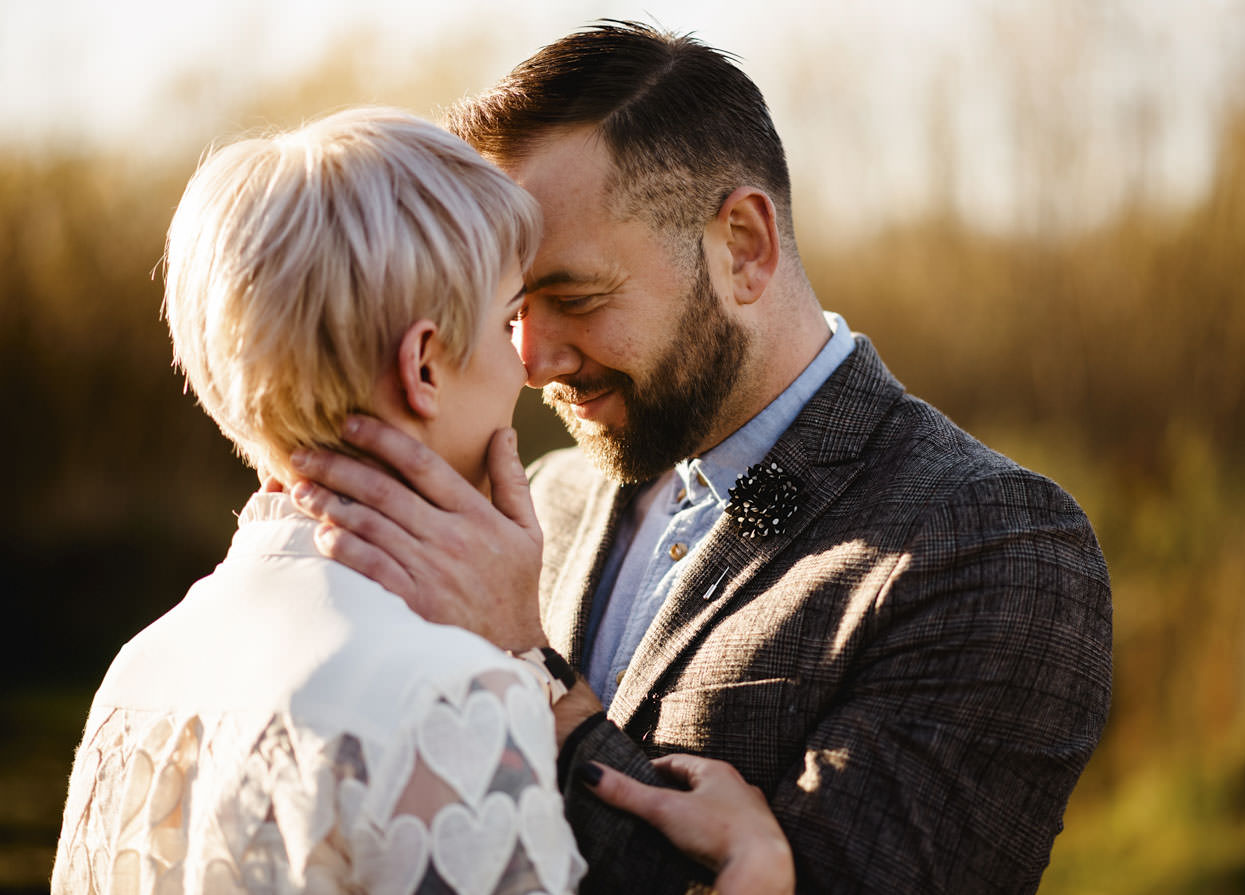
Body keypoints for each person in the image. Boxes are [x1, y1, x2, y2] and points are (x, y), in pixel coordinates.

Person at [289, 21, 1114, 895]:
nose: (531, 362)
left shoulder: (995, 546)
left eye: (573, 296)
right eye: (510, 308)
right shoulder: (548, 499)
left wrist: (527, 668)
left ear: (743, 247)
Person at [51, 108, 591, 894]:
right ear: (424, 366)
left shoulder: (136, 673)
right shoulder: (456, 696)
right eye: (508, 320)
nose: (530, 369)